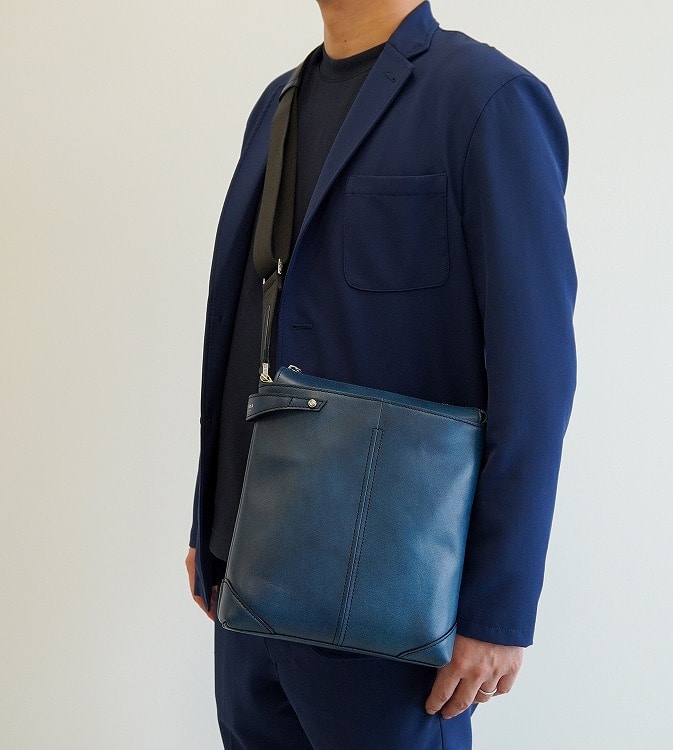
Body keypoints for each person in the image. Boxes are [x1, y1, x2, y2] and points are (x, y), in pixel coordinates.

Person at [186, 1, 576, 747]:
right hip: (248, 586)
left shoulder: (487, 98)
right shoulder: (277, 105)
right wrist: (211, 531)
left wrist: (498, 610)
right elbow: (246, 327)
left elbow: (536, 373)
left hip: (390, 604)